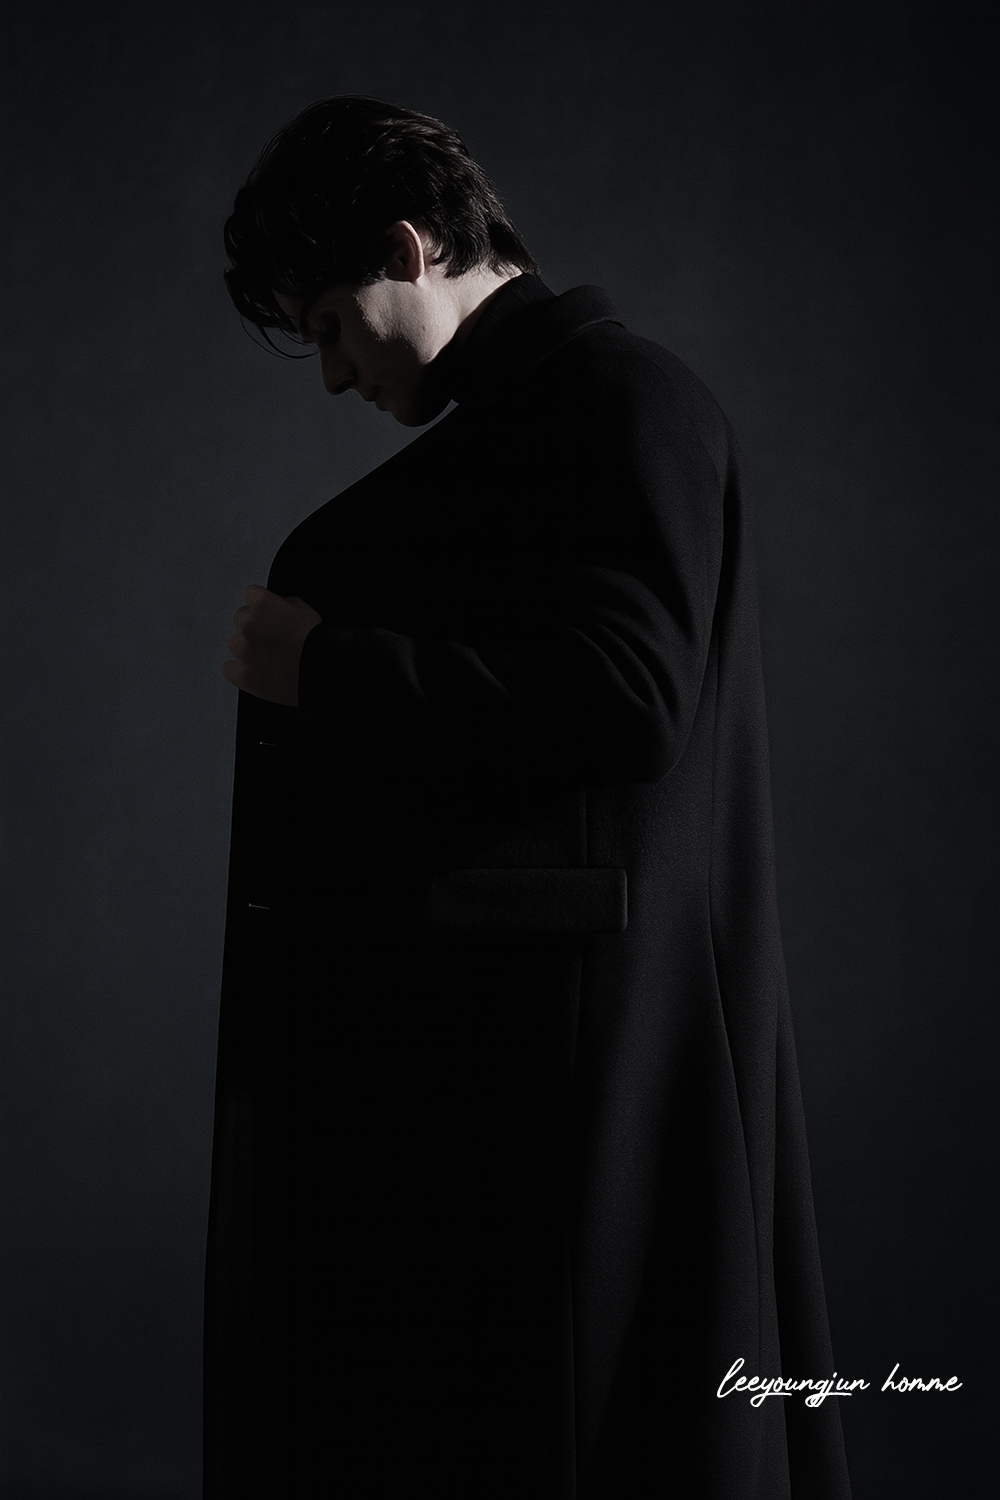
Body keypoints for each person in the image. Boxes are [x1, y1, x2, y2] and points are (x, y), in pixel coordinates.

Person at [207, 95, 852, 1499]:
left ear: (409, 247)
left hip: (570, 1090)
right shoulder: (521, 432)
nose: (332, 378)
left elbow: (631, 699)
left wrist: (330, 668)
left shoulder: (627, 402)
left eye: (331, 326)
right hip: (495, 1086)